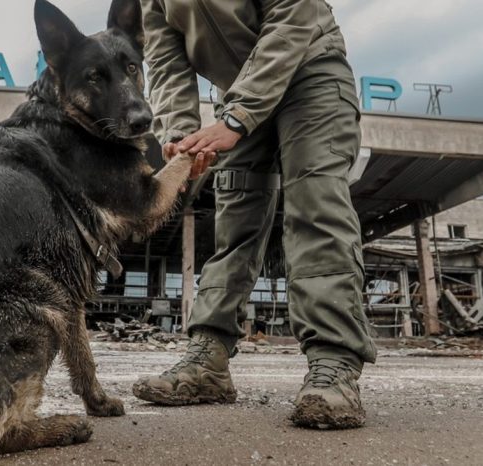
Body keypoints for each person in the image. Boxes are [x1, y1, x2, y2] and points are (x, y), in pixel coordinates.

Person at [132, 0, 377, 429]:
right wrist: (179, 130)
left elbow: (292, 16)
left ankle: (334, 364)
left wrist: (237, 117)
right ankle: (209, 359)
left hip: (309, 71)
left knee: (315, 206)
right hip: (239, 93)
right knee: (235, 221)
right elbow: (165, 57)